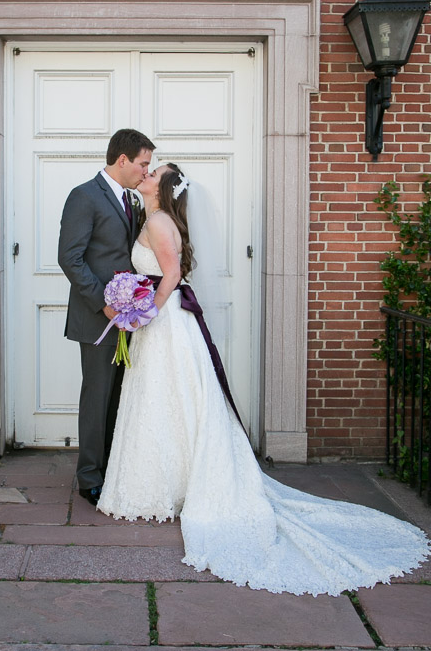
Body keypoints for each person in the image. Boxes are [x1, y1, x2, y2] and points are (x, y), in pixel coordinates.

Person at [97, 162, 431, 595]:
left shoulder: (159, 222)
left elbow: (172, 276)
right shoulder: (154, 217)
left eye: (153, 172)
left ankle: (166, 487)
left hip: (165, 326)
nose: (146, 174)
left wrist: (146, 312)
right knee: (167, 400)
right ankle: (172, 482)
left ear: (163, 187)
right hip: (168, 326)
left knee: (165, 398)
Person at [58, 128, 155, 506]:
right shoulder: (84, 196)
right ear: (123, 160)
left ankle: (114, 468)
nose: (147, 171)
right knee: (97, 397)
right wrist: (106, 303)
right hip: (97, 317)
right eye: (144, 164)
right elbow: (71, 258)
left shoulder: (130, 200)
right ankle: (88, 478)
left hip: (126, 317)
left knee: (118, 396)